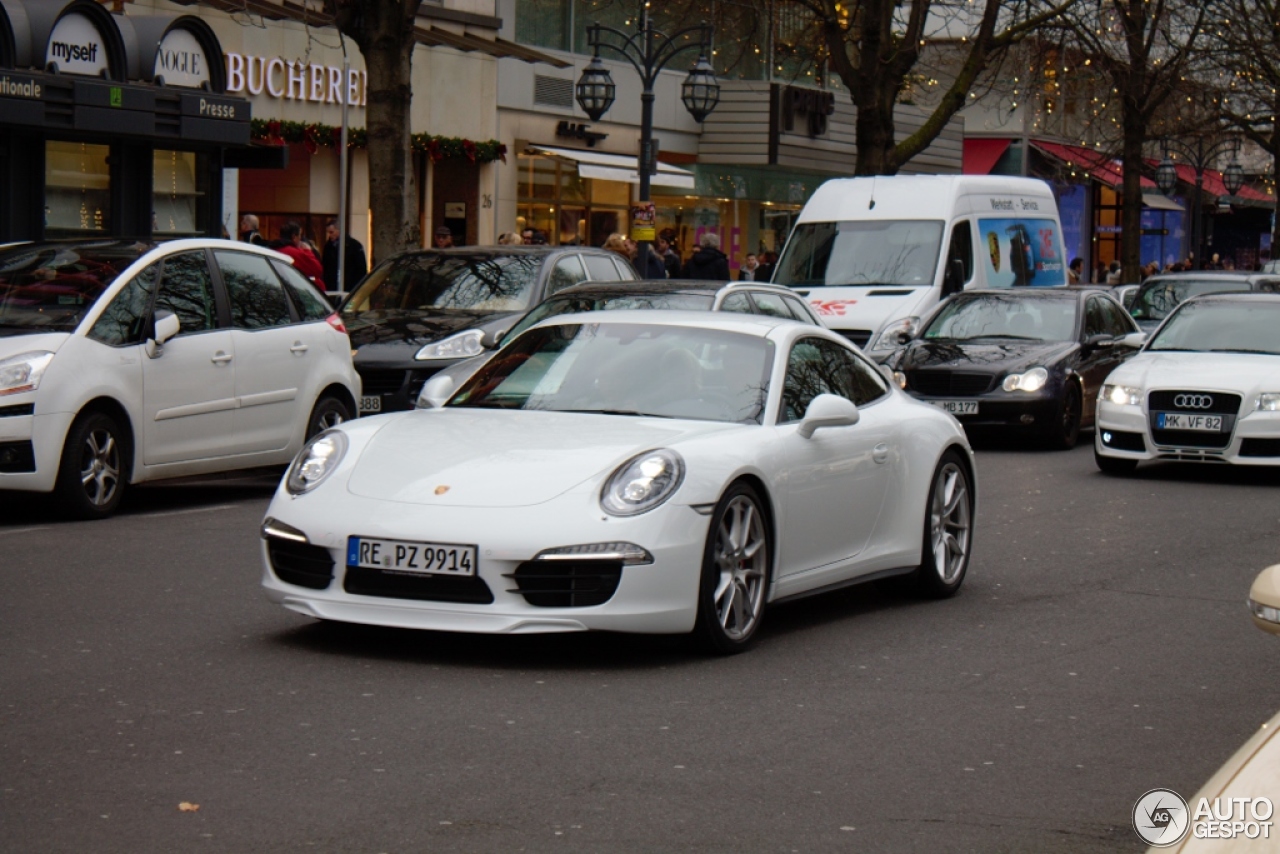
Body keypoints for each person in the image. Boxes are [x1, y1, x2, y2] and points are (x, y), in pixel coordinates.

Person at [322, 219, 368, 293]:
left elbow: (361, 269)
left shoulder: (354, 246)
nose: (329, 236)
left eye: (331, 232)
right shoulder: (328, 247)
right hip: (333, 288)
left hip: (350, 288)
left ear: (339, 230)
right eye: (328, 233)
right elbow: (325, 267)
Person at [277, 221, 325, 288]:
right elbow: (317, 269)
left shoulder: (274, 249)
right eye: (300, 235)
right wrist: (308, 251)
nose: (300, 239)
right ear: (294, 237)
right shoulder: (295, 253)